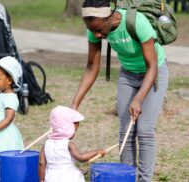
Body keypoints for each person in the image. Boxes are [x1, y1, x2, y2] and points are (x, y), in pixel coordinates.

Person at [71, 0, 169, 181]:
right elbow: (92, 67)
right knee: (126, 130)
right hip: (128, 74)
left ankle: (144, 179)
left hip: (154, 73)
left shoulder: (137, 22)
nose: (97, 35)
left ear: (109, 17)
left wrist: (138, 98)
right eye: (92, 30)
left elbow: (153, 65)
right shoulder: (94, 29)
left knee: (145, 129)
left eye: (100, 30)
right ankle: (127, 176)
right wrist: (74, 105)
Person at [39, 105, 105, 182]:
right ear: (67, 129)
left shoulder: (46, 144)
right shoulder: (68, 144)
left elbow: (41, 162)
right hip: (68, 176)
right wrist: (96, 152)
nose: (74, 133)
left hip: (51, 177)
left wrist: (41, 179)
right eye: (74, 130)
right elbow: (81, 157)